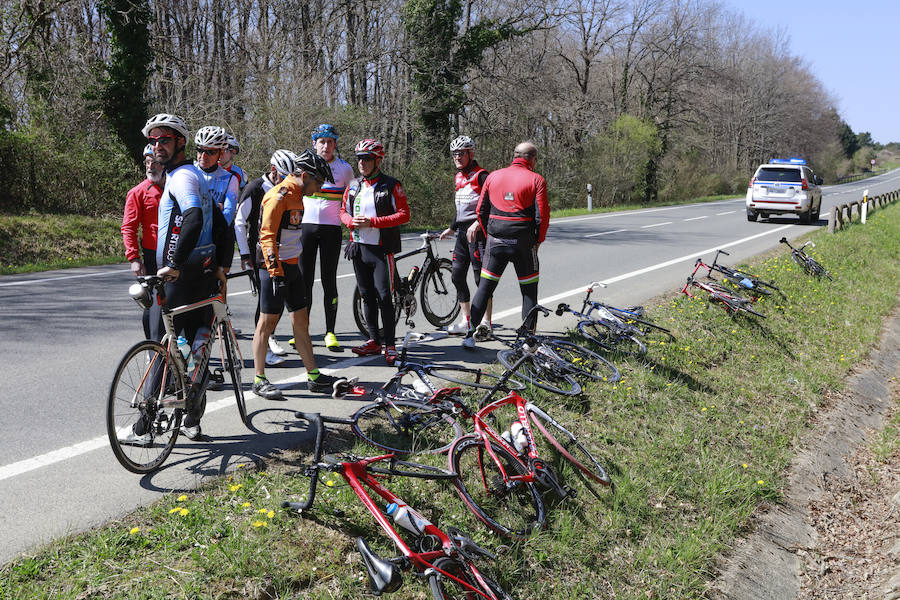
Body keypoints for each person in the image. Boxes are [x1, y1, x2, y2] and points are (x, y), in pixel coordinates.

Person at [122, 113, 231, 444]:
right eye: (153, 141)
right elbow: (223, 228)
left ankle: (145, 428)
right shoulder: (196, 175)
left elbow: (194, 218)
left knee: (166, 347)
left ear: (181, 143)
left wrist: (174, 264)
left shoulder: (181, 178)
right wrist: (222, 267)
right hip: (202, 275)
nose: (157, 147)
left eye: (164, 140)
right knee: (195, 347)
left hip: (181, 279)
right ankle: (192, 420)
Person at [251, 149, 344, 399]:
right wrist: (276, 272)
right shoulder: (278, 196)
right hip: (273, 268)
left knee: (301, 321)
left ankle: (313, 376)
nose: (319, 187)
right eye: (318, 181)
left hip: (293, 266)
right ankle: (259, 379)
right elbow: (267, 236)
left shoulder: (299, 194)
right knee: (267, 323)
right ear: (303, 175)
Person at [462, 141, 549, 350]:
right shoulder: (537, 179)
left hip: (495, 242)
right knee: (529, 292)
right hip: (523, 243)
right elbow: (542, 216)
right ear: (533, 159)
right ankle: (529, 342)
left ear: (515, 156)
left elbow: (481, 211)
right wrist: (538, 241)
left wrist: (490, 233)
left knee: (484, 288)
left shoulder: (493, 176)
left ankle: (469, 336)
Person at [340, 139, 410, 365]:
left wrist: (373, 222)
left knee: (384, 296)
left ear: (378, 160)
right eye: (359, 158)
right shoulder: (353, 185)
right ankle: (373, 340)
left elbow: (404, 214)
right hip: (358, 248)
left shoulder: (391, 185)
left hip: (382, 250)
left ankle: (390, 344)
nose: (362, 163)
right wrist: (350, 221)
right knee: (366, 295)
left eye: (367, 159)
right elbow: (342, 211)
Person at [234, 149, 298, 367]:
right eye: (283, 175)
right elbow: (239, 222)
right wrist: (244, 254)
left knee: (277, 300)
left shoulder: (288, 191)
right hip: (259, 254)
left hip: (283, 253)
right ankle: (264, 345)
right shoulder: (255, 189)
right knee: (266, 300)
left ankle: (269, 337)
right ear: (273, 170)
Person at [300, 124, 355, 352]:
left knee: (328, 281)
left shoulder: (345, 169)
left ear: (335, 144)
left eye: (330, 141)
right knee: (304, 283)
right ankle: (302, 331)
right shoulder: (304, 165)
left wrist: (353, 234)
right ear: (314, 143)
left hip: (332, 229)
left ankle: (330, 332)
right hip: (305, 229)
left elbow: (353, 203)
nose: (326, 146)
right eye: (321, 141)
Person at [440, 135, 493, 337]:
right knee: (457, 275)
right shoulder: (459, 176)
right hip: (463, 234)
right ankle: (467, 319)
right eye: (454, 154)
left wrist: (479, 223)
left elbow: (492, 205)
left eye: (461, 153)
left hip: (478, 234)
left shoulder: (482, 176)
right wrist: (452, 227)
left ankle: (486, 323)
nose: (457, 157)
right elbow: (461, 208)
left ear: (471, 154)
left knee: (481, 279)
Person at [121, 143, 165, 339]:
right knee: (153, 304)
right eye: (147, 162)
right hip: (151, 256)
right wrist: (134, 258)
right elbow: (128, 227)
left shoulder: (177, 186)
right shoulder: (138, 192)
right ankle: (152, 346)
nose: (150, 167)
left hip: (175, 255)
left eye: (155, 162)